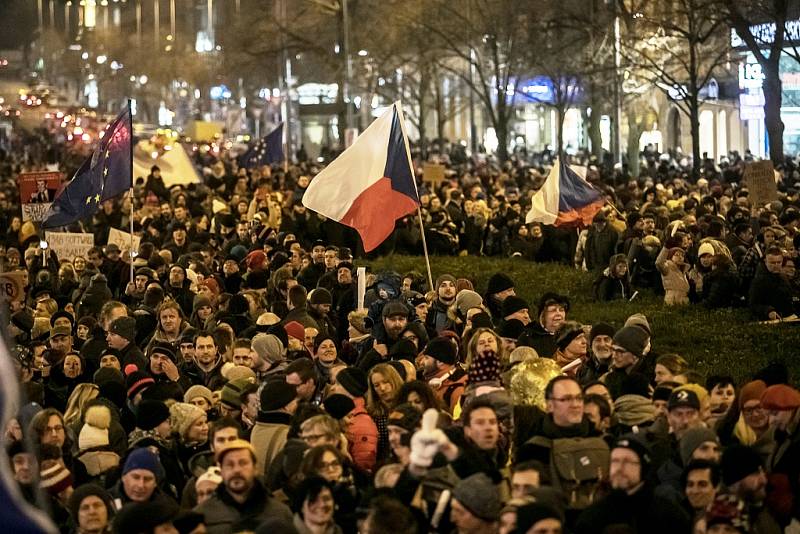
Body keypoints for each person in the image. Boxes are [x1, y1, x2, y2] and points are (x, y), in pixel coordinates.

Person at [575, 434, 692, 534]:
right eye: (615, 461)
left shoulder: (670, 516)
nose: (619, 468)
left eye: (627, 461)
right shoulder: (592, 517)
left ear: (643, 468)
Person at [195, 439, 292, 534]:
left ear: (255, 468)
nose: (236, 470)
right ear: (222, 471)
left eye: (243, 463)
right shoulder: (203, 515)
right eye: (229, 464)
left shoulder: (280, 513)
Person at [250, 379, 299, 477]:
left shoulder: (256, 428)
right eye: (295, 401)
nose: (297, 404)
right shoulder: (287, 434)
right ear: (286, 406)